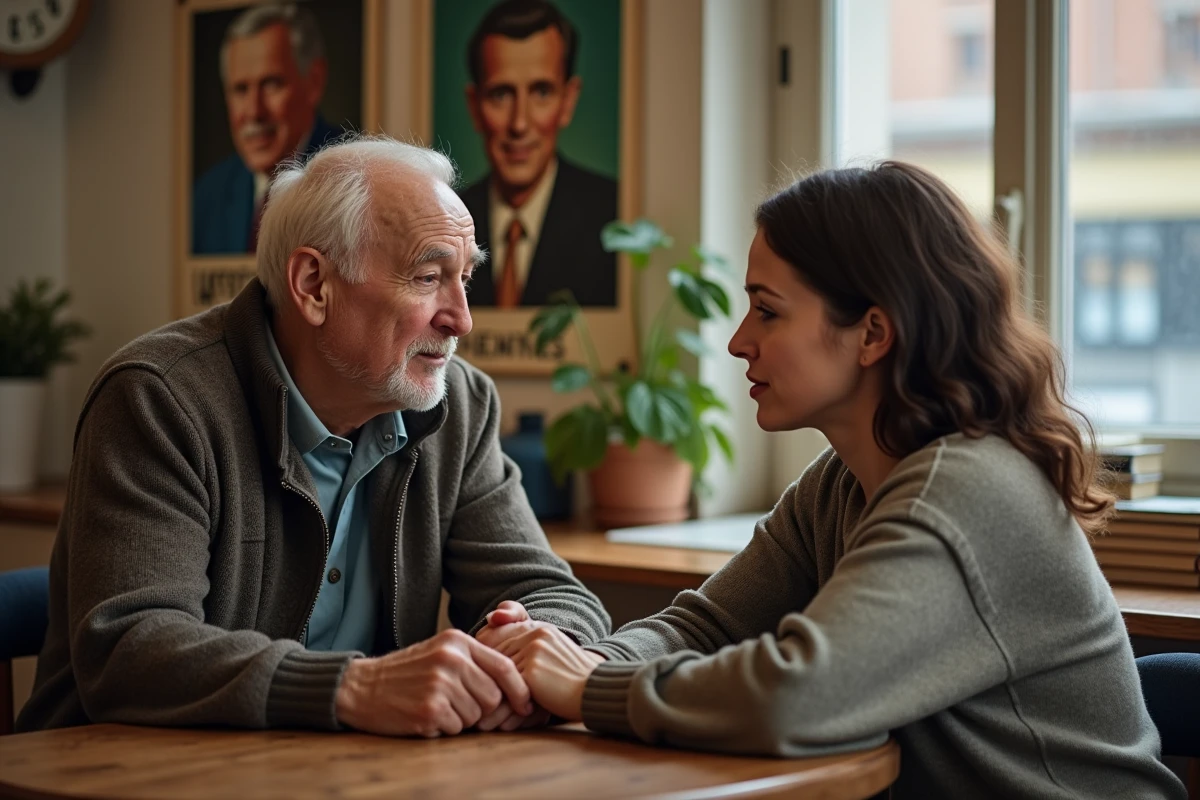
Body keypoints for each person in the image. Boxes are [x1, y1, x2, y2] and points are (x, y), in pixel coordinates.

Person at [478, 163, 1187, 798]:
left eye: (767, 310)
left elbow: (798, 697)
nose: (738, 341)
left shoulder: (970, 490)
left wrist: (587, 685)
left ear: (873, 333)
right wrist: (564, 662)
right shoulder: (842, 483)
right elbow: (708, 626)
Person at [18, 134, 611, 738]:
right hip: (117, 770)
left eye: (464, 278)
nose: (462, 318)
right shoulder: (158, 398)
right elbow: (128, 651)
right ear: (313, 285)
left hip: (347, 772)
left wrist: (537, 645)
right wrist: (356, 687)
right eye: (429, 276)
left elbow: (549, 591)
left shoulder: (461, 404)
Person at [459, 0, 618, 308]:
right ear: (474, 107)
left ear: (568, 101)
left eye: (541, 92)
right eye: (501, 94)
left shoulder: (615, 217)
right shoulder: (442, 222)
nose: (519, 123)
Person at [192, 3, 343, 254]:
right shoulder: (206, 198)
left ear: (314, 82)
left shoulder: (353, 182)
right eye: (241, 89)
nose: (254, 111)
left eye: (272, 84)